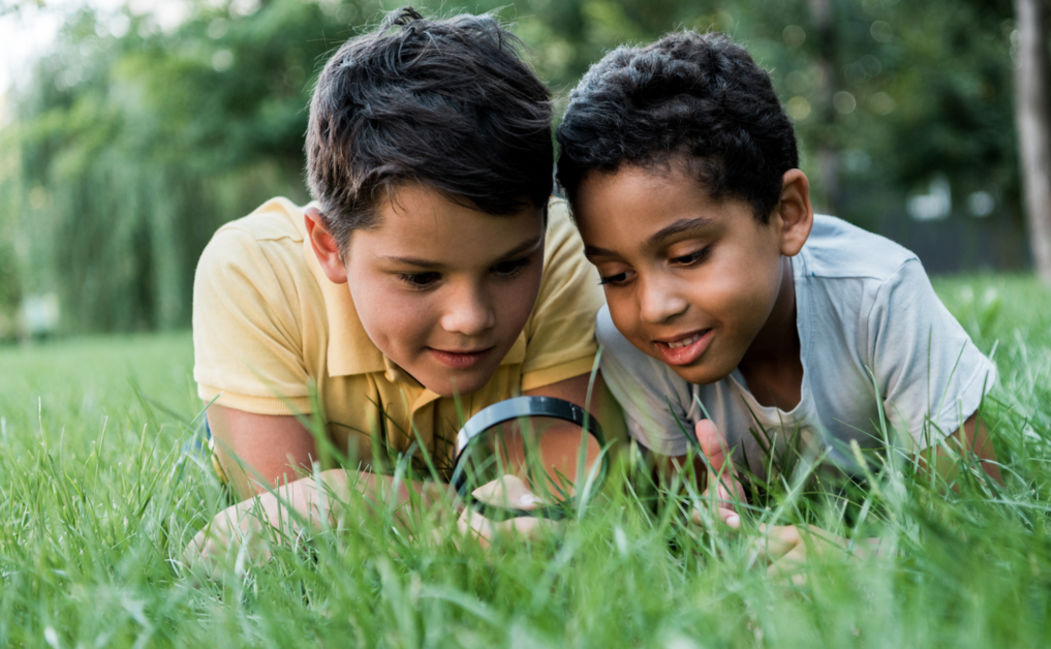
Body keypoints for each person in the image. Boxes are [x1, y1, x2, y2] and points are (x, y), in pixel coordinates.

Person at [184, 7, 617, 569]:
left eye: (509, 267)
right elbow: (278, 523)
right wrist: (465, 516)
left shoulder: (560, 247)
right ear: (328, 247)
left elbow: (561, 507)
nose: (471, 318)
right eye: (420, 276)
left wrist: (338, 497)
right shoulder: (251, 271)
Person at [554, 31, 1001, 568]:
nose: (653, 307)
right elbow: (698, 527)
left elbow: (983, 522)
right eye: (616, 274)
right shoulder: (632, 345)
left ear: (787, 214)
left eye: (690, 255)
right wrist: (722, 535)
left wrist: (859, 558)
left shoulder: (880, 294)